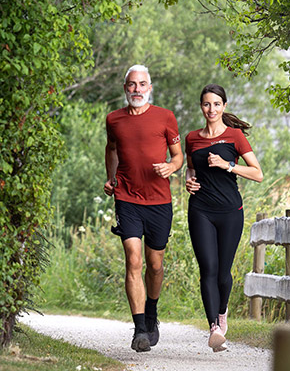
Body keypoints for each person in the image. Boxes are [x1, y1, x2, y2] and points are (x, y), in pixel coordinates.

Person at [103, 64, 184, 352]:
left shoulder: (165, 117)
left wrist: (170, 167)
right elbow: (111, 148)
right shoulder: (114, 119)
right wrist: (111, 178)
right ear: (125, 88)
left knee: (155, 265)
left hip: (159, 201)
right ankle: (139, 330)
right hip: (127, 198)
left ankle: (152, 313)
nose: (136, 89)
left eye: (141, 84)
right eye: (131, 84)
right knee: (133, 260)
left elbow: (178, 156)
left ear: (149, 87)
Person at [184, 83, 263, 351]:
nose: (211, 109)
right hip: (200, 210)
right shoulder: (192, 137)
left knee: (222, 273)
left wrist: (228, 165)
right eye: (207, 104)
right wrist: (189, 181)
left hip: (230, 212)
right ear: (201, 107)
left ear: (224, 106)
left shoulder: (235, 136)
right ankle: (214, 329)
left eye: (216, 104)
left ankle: (222, 311)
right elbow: (191, 169)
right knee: (207, 268)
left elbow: (257, 174)